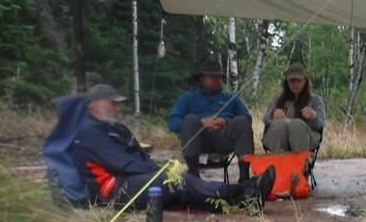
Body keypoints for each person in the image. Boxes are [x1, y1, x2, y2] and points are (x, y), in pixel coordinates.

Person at [73, 84, 273, 211]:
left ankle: (242, 200)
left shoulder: (117, 129)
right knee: (176, 183)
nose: (118, 108)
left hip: (131, 180)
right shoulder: (89, 133)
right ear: (94, 107)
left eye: (118, 104)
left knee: (182, 194)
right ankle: (244, 193)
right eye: (112, 104)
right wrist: (163, 172)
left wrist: (160, 171)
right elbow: (125, 164)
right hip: (114, 191)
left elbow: (139, 157)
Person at [168, 60, 255, 181]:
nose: (216, 79)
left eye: (219, 76)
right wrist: (201, 122)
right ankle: (194, 176)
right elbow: (173, 122)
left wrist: (226, 122)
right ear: (202, 79)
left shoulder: (231, 98)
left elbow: (247, 119)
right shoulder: (188, 98)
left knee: (242, 121)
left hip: (224, 138)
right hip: (199, 139)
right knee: (190, 120)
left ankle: (244, 179)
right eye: (212, 76)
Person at [262, 63, 325, 153]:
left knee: (296, 125)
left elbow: (320, 125)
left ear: (305, 81)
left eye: (298, 80)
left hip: (305, 138)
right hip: (279, 138)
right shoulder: (277, 99)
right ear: (287, 82)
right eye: (292, 81)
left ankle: (299, 164)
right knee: (279, 125)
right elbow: (265, 119)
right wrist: (272, 115)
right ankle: (276, 163)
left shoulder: (316, 100)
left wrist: (313, 116)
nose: (295, 84)